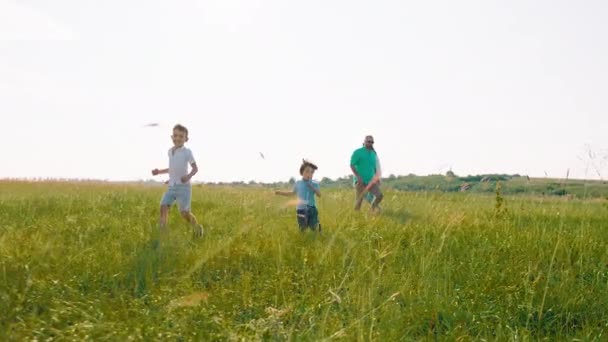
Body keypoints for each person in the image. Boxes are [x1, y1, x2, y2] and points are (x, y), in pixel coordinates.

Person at [151, 124, 204, 237]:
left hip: (183, 187)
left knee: (184, 213)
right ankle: (162, 233)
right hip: (172, 186)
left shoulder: (187, 152)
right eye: (175, 136)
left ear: (186, 139)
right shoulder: (170, 152)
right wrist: (159, 172)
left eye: (181, 136)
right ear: (172, 137)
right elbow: (172, 168)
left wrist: (188, 176)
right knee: (163, 206)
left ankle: (197, 228)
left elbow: (195, 168)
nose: (178, 138)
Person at [276, 160, 322, 232]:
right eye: (307, 171)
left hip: (312, 209)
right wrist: (280, 193)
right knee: (302, 228)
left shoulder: (315, 183)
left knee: (313, 227)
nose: (309, 174)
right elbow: (292, 193)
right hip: (301, 209)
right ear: (301, 172)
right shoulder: (298, 183)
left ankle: (316, 234)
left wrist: (312, 187)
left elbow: (319, 195)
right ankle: (304, 238)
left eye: (312, 172)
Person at [350, 135, 383, 212]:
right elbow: (352, 165)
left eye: (372, 142)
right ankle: (356, 218)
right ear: (364, 142)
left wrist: (377, 177)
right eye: (368, 141)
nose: (370, 143)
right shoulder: (358, 152)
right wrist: (358, 177)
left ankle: (372, 209)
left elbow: (374, 167)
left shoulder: (373, 154)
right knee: (359, 201)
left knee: (379, 196)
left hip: (371, 181)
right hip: (360, 181)